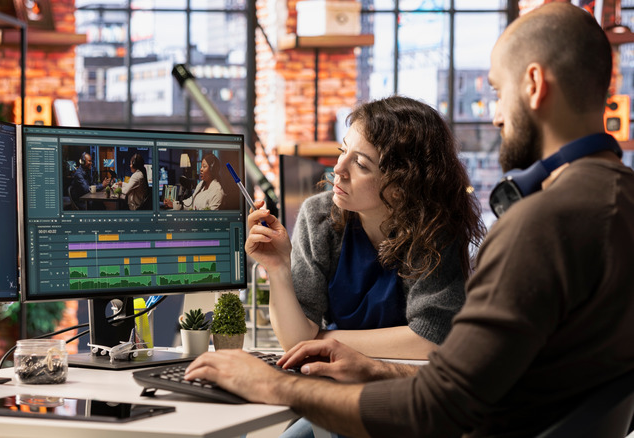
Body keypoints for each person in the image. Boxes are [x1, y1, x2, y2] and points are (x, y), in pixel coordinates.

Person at [185, 4, 634, 437]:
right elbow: (471, 380)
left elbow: (439, 404)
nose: (495, 115)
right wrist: (373, 365)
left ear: (533, 84)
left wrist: (275, 385)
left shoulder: (537, 224)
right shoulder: (619, 202)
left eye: (497, 92)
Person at [247, 96, 485, 362]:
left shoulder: (433, 230)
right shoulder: (318, 217)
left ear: (400, 186)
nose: (338, 169)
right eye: (342, 151)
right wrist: (278, 267)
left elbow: (432, 339)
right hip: (336, 374)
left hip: (404, 383)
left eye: (360, 164)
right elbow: (295, 340)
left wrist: (322, 341)